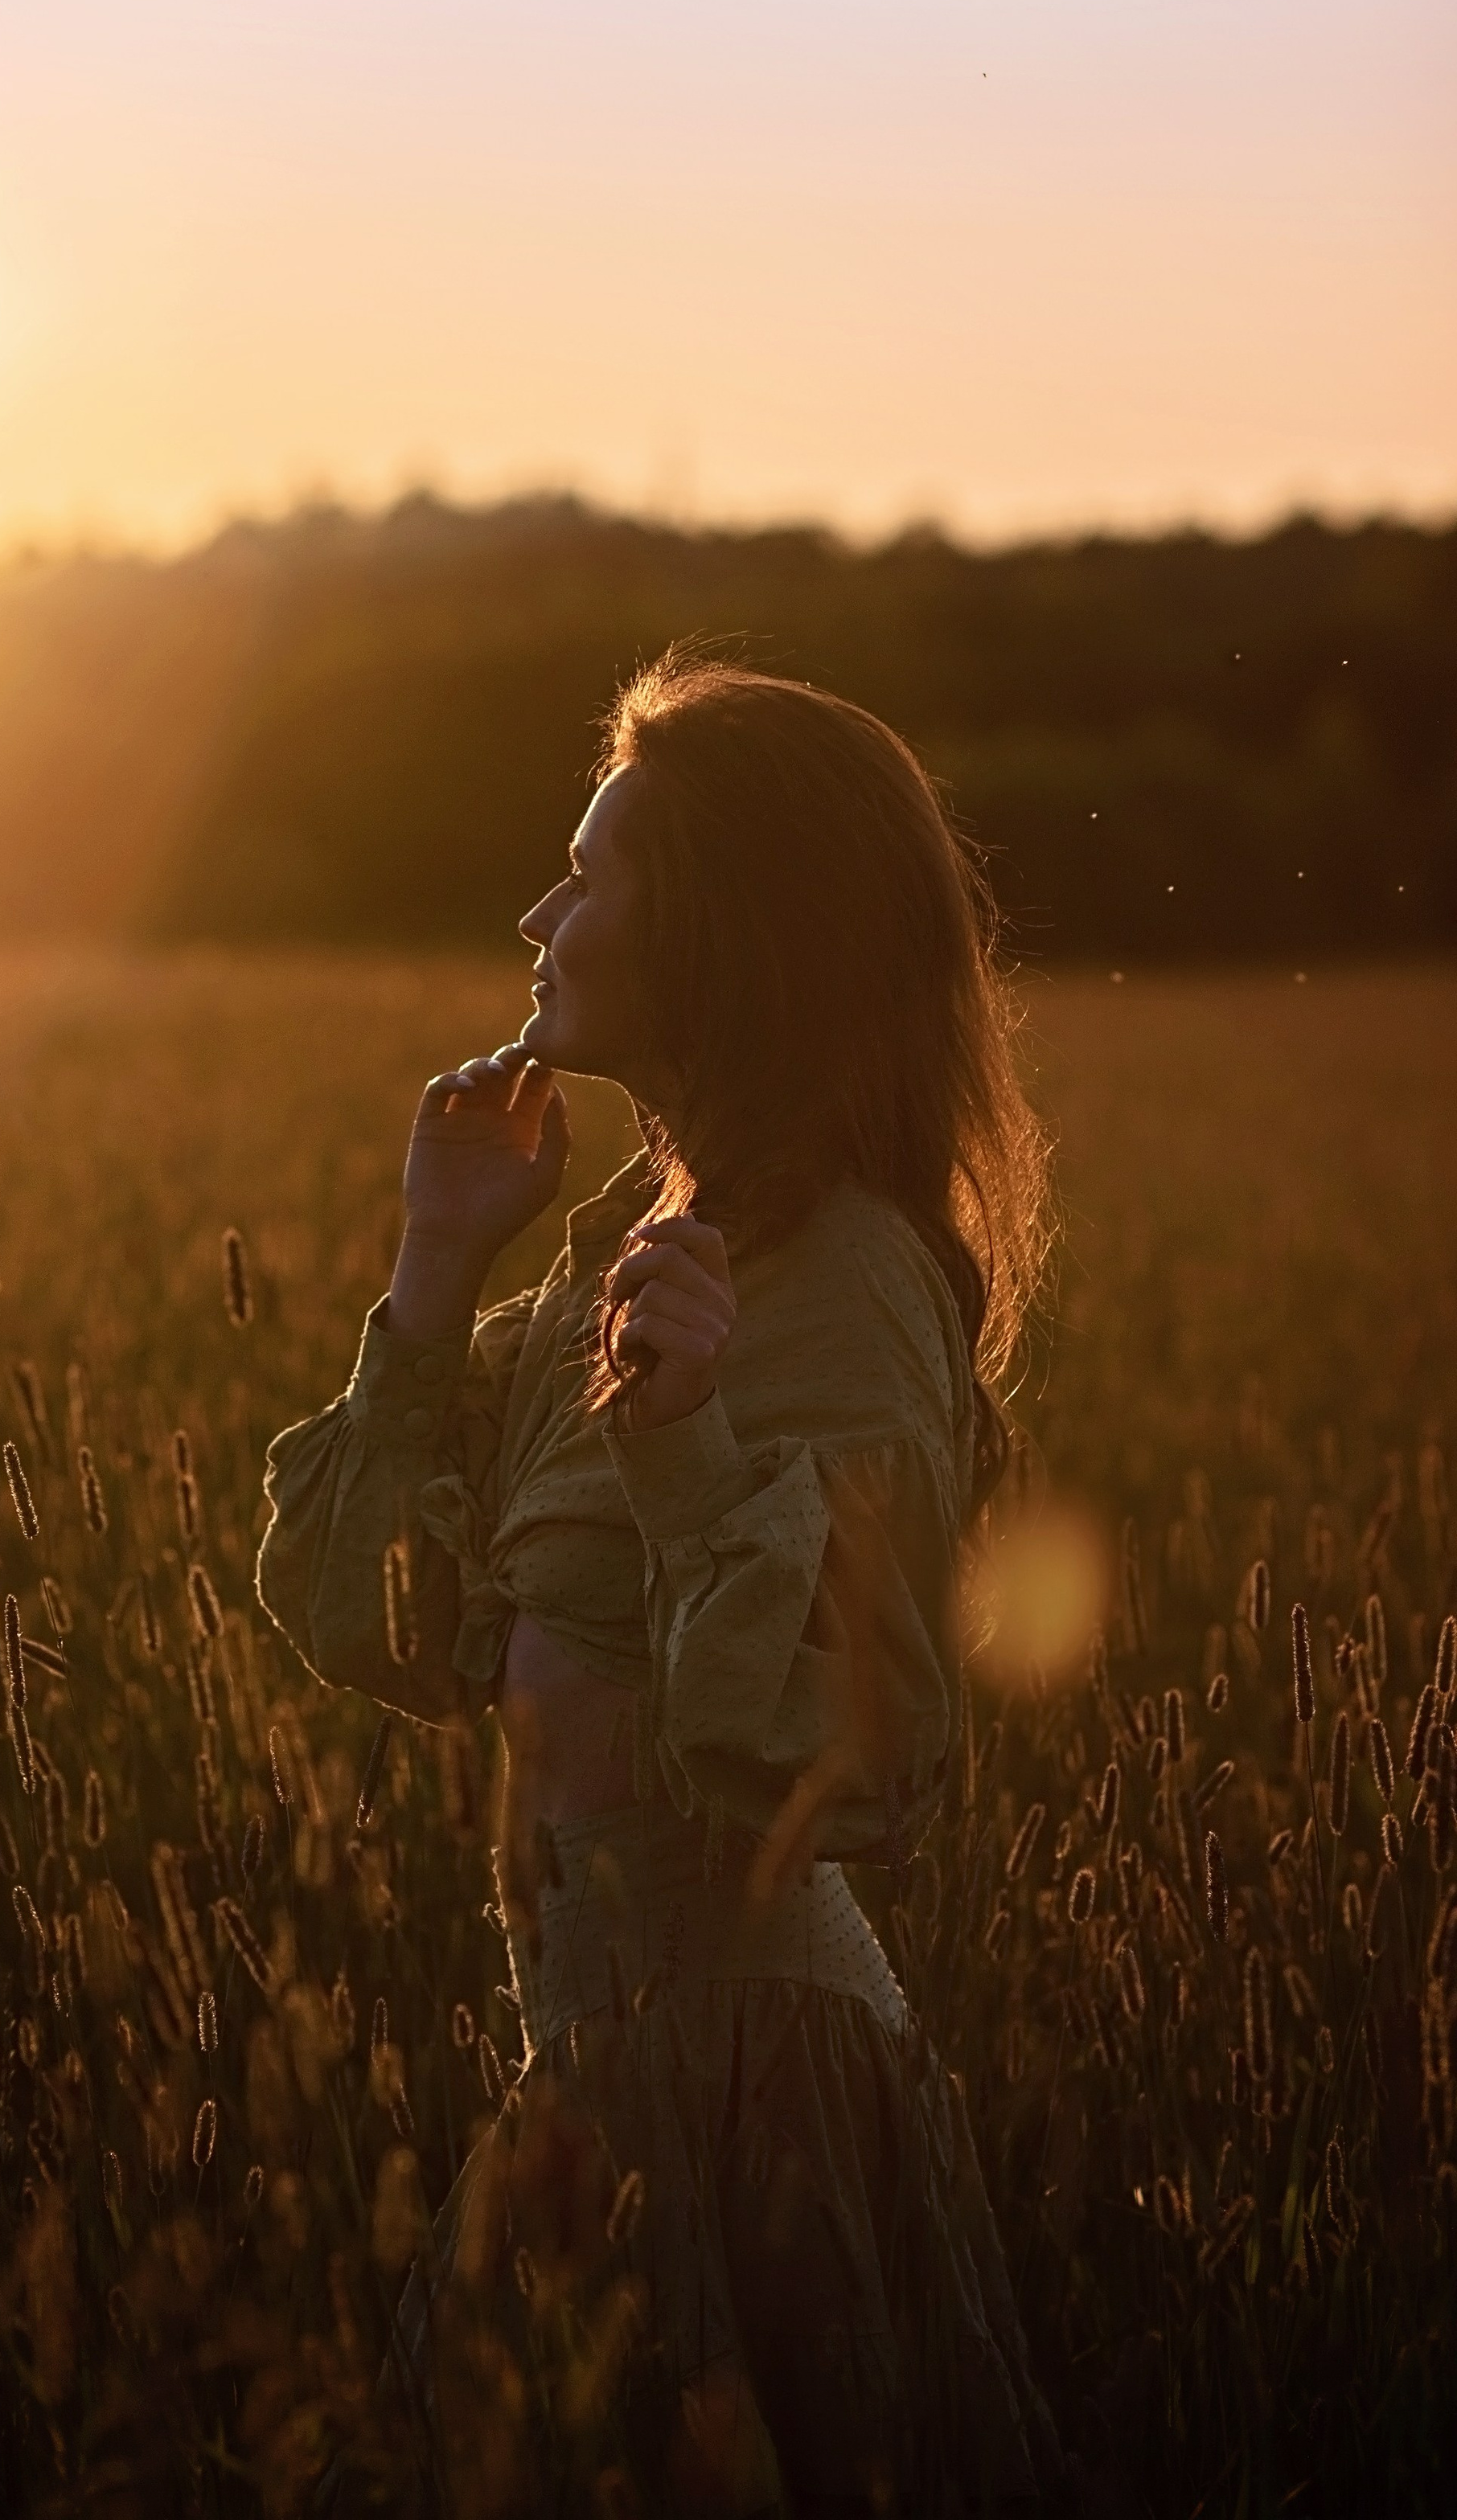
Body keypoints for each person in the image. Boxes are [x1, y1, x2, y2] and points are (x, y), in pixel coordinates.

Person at [257, 648, 1064, 2514]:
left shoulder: (841, 1283)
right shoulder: (633, 1257)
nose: (538, 913)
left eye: (587, 874)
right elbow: (367, 1626)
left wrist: (687, 1436)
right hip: (601, 2079)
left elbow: (855, 1766)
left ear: (718, 931)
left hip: (750, 2089)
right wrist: (436, 1270)